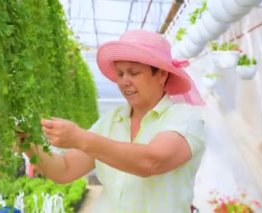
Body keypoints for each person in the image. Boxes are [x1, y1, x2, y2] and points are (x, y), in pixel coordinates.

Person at [15, 30, 205, 212]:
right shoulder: (111, 121)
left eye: (134, 73)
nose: (124, 81)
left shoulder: (185, 118)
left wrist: (80, 138)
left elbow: (152, 161)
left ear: (161, 75)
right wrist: (27, 142)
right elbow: (65, 169)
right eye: (120, 74)